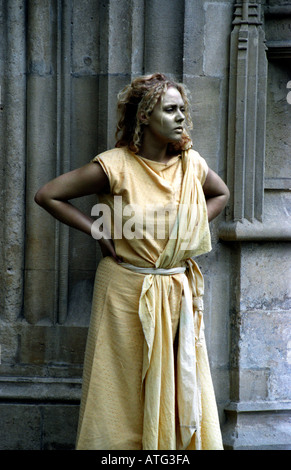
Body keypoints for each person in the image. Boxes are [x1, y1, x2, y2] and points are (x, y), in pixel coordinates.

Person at [35, 72, 230, 450]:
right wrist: (97, 230)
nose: (181, 118)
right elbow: (48, 195)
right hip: (124, 291)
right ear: (144, 115)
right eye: (170, 109)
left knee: (179, 384)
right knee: (118, 391)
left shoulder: (191, 164)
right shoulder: (115, 165)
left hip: (175, 291)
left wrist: (186, 228)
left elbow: (220, 194)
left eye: (183, 110)